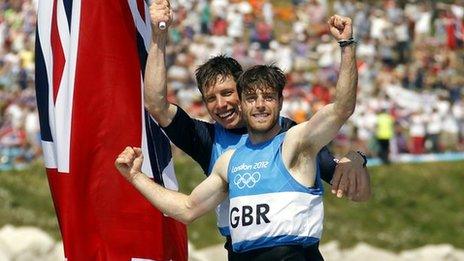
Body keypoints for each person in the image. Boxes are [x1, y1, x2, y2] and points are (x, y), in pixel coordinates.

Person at [145, 0, 370, 258]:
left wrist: (357, 159)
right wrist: (158, 36)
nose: (221, 105)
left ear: (242, 94)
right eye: (211, 98)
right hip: (239, 252)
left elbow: (352, 186)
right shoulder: (207, 139)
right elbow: (156, 105)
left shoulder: (288, 135)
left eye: (228, 93)